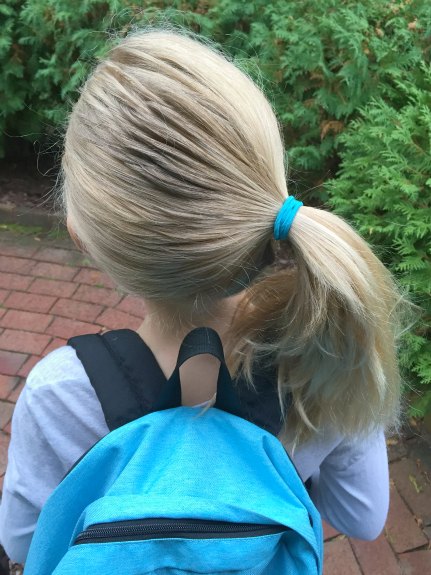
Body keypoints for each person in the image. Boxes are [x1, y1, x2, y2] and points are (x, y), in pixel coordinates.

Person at [0, 29, 405, 565]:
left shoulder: (60, 396)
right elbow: (364, 516)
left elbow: (26, 543)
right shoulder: (324, 351)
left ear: (86, 239)